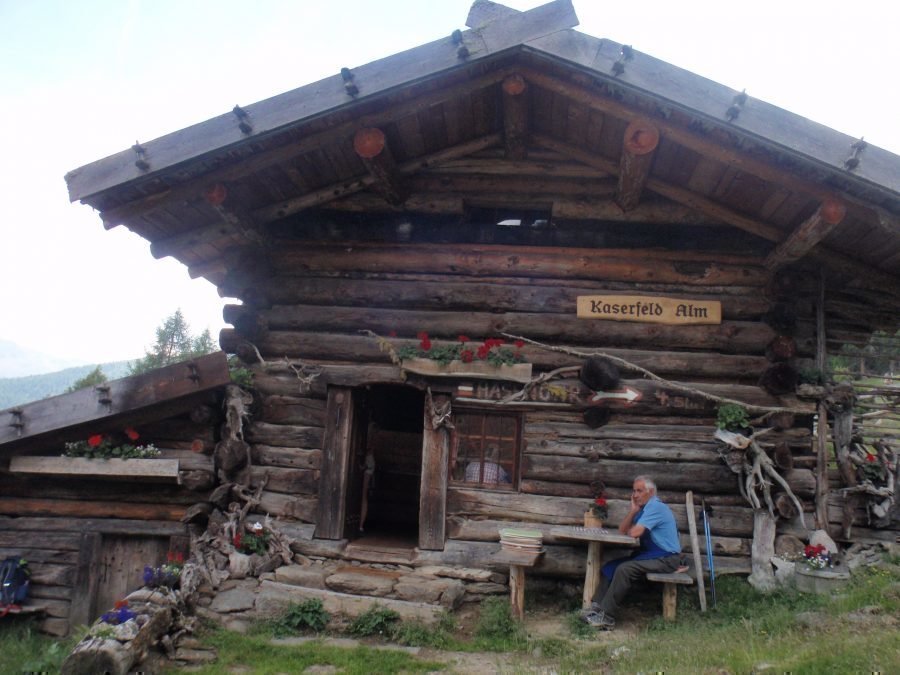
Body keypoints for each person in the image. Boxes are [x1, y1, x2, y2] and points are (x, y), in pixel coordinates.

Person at [582, 475, 682, 630]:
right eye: (634, 491)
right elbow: (623, 531)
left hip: (667, 558)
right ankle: (596, 608)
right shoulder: (644, 509)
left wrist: (632, 529)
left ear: (651, 492)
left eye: (639, 491)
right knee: (611, 566)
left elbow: (635, 532)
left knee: (625, 569)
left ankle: (606, 617)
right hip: (652, 555)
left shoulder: (656, 506)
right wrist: (633, 511)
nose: (635, 495)